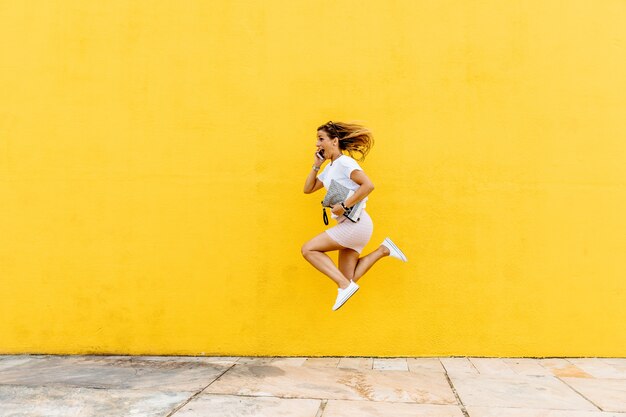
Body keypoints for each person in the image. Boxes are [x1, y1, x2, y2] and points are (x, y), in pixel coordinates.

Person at [302, 121, 407, 311]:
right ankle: (383, 250)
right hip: (354, 225)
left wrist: (343, 205)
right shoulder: (329, 168)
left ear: (334, 141)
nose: (317, 144)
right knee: (348, 277)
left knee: (308, 249)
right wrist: (317, 166)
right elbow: (308, 189)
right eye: (316, 140)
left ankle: (344, 287)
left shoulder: (345, 163)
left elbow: (368, 185)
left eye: (321, 139)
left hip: (355, 224)